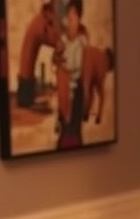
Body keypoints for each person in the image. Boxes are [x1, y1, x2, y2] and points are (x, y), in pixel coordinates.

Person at [54, 0, 88, 148]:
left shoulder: (82, 42)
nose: (71, 20)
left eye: (74, 15)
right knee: (64, 125)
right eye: (69, 15)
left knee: (74, 128)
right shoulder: (62, 41)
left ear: (79, 18)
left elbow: (84, 65)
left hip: (77, 88)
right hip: (64, 89)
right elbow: (56, 60)